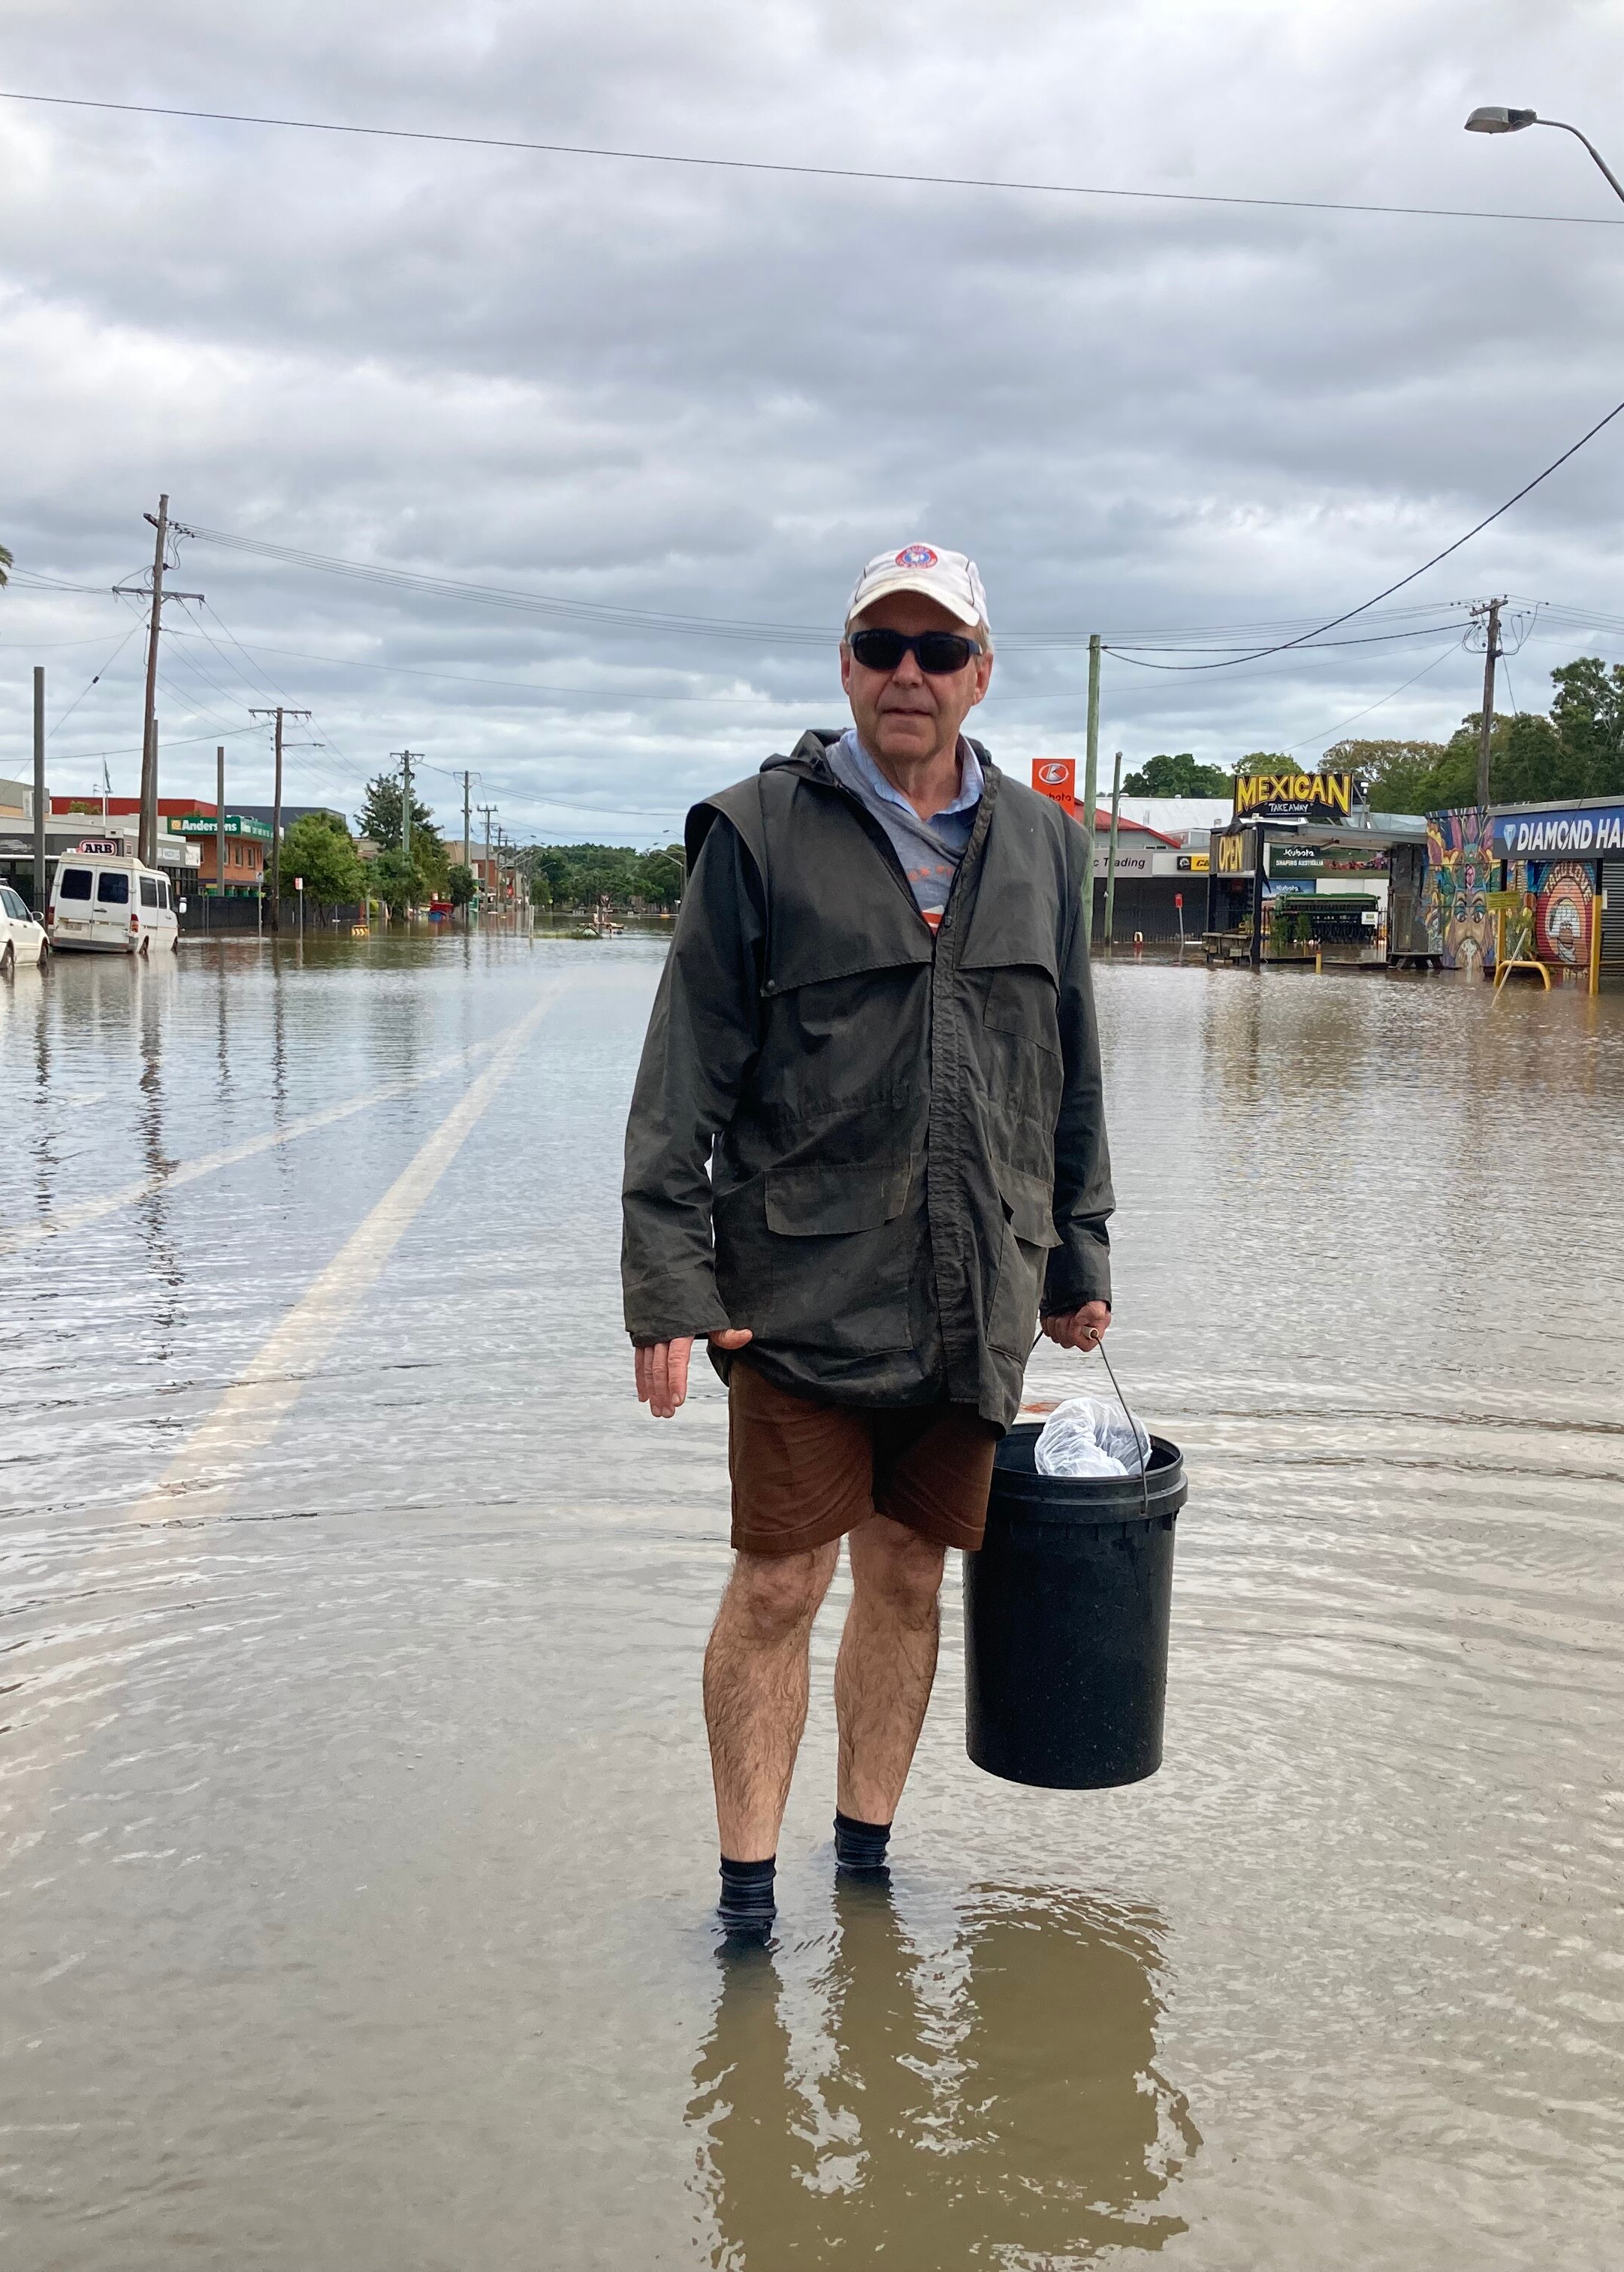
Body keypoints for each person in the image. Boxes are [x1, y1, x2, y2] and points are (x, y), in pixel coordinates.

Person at [621, 541, 1113, 1950]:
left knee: (909, 1573)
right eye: (882, 647)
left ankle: (864, 1872)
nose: (910, 673)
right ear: (845, 666)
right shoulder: (757, 834)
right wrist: (667, 1284)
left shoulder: (1047, 846)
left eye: (938, 649)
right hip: (796, 1291)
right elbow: (682, 1076)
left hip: (976, 1290)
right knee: (782, 1580)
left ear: (980, 673)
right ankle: (746, 1903)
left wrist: (1077, 1255)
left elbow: (1069, 1065)